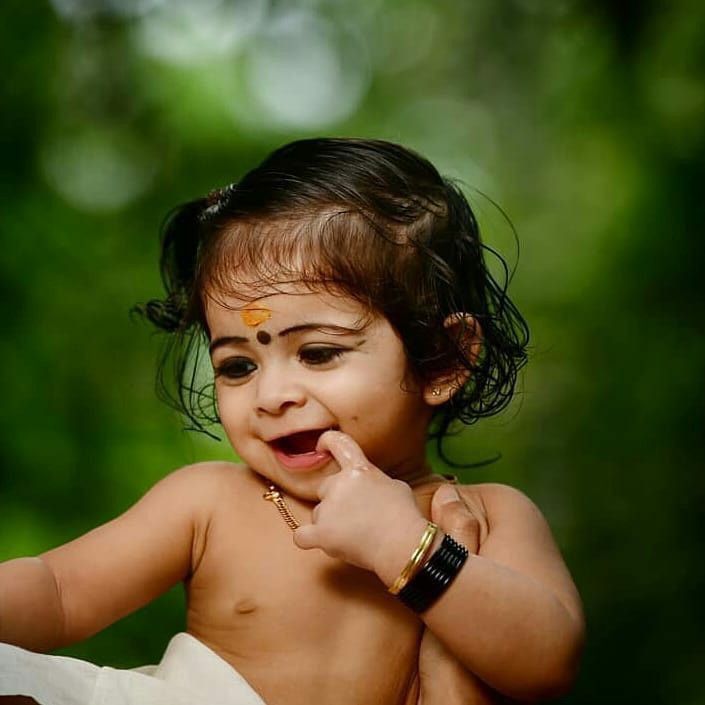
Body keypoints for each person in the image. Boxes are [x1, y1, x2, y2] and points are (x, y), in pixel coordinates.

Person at [0, 138, 584, 705]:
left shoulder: (488, 515)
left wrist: (407, 547)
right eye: (237, 366)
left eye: (318, 353)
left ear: (442, 358)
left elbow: (546, 663)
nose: (272, 396)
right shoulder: (209, 502)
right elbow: (59, 590)